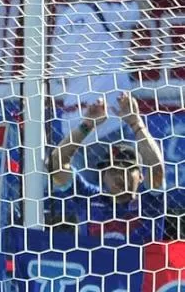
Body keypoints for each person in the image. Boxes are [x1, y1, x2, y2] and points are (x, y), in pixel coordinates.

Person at [46, 92, 165, 245]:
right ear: (102, 175)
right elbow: (55, 164)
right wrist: (87, 125)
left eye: (127, 169)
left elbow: (157, 168)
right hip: (93, 261)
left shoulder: (150, 203)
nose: (120, 175)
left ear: (141, 176)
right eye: (113, 170)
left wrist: (136, 123)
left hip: (141, 261)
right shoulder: (88, 198)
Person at [48, 0, 142, 140]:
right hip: (107, 118)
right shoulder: (98, 10)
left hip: (73, 123)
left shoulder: (60, 24)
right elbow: (142, 8)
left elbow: (58, 76)